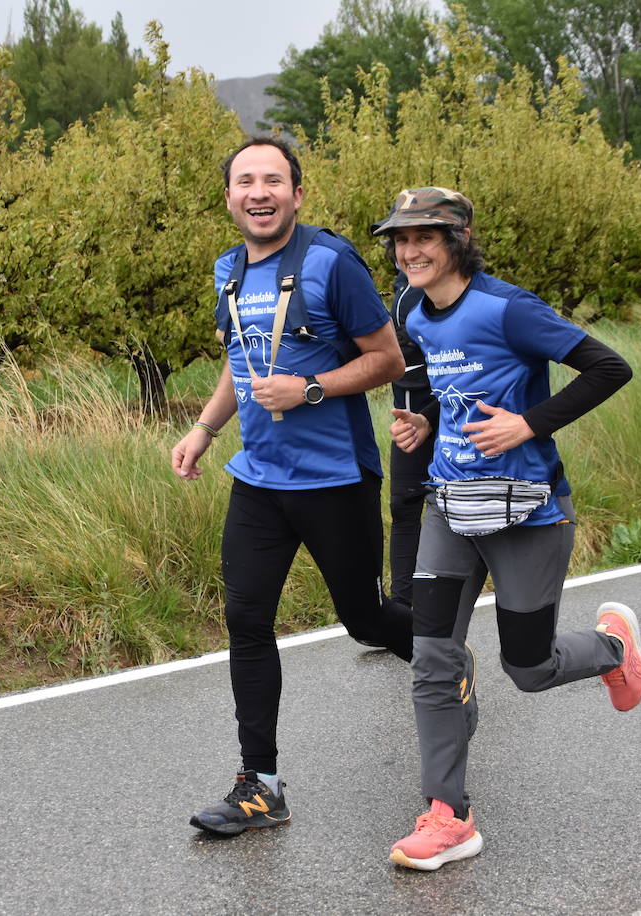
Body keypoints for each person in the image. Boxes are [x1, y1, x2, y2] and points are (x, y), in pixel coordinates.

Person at [376, 187, 641, 871]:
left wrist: (529, 424)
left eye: (425, 237)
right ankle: (449, 815)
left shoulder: (509, 308)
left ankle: (612, 649)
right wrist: (428, 422)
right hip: (450, 506)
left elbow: (610, 368)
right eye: (400, 240)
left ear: (460, 237)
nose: (410, 251)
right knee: (433, 658)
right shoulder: (416, 310)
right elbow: (460, 390)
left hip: (527, 512)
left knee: (527, 668)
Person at [171, 137, 413, 837]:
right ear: (228, 198)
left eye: (273, 179)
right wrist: (206, 429)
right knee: (246, 621)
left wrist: (309, 387)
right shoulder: (227, 270)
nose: (259, 191)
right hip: (259, 482)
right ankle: (260, 785)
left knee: (364, 619)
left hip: (335, 477)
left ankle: (443, 656)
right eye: (245, 181)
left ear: (297, 194)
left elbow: (386, 358)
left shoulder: (330, 264)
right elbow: (240, 360)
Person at [387, 273, 435, 607]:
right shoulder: (402, 286)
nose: (406, 248)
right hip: (408, 415)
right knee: (404, 507)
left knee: (459, 508)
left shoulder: (446, 285)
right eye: (399, 239)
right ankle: (404, 608)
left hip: (446, 413)